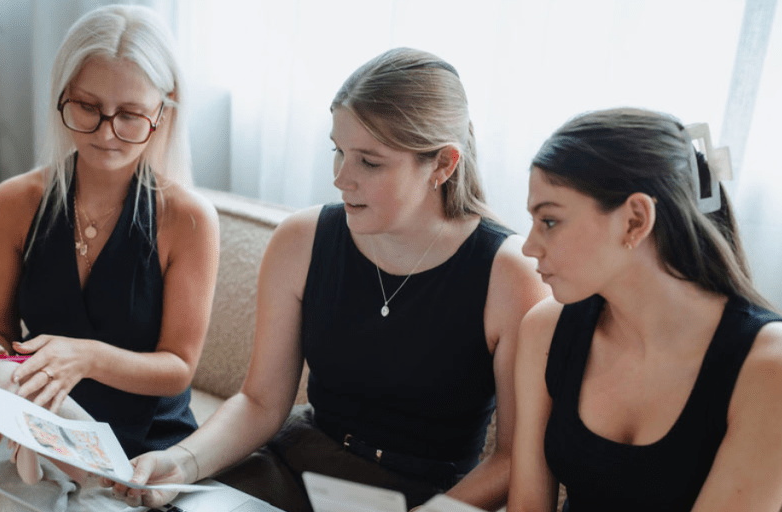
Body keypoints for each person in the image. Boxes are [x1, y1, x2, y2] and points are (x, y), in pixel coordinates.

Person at [107, 47, 548, 512]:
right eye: (338, 151)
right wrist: (181, 462)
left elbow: (514, 458)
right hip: (297, 466)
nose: (341, 178)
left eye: (369, 162)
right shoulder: (300, 239)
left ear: (442, 164)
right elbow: (260, 402)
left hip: (425, 499)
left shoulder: (509, 273)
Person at [0, 4, 218, 511]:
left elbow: (177, 368)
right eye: (87, 107)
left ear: (163, 113)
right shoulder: (13, 203)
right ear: (61, 97)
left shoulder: (187, 219)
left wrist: (87, 357)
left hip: (145, 451)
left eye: (129, 115)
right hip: (42, 432)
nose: (106, 133)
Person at [508, 108, 782, 512]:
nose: (530, 246)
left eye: (549, 221)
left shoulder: (776, 367)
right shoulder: (545, 329)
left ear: (635, 220)